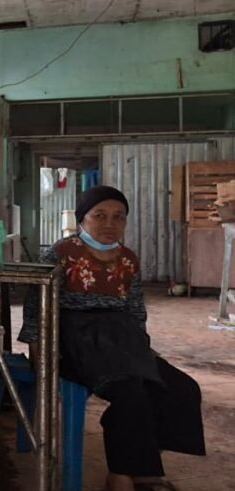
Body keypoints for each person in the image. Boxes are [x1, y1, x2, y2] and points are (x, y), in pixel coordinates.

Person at [20, 185, 206, 491]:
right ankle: (124, 475)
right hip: (77, 341)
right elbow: (34, 308)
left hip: (121, 338)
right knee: (130, 392)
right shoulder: (61, 253)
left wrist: (143, 350)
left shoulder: (128, 259)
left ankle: (141, 465)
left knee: (181, 389)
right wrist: (37, 352)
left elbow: (136, 311)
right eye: (100, 215)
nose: (110, 223)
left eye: (119, 217)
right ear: (82, 219)